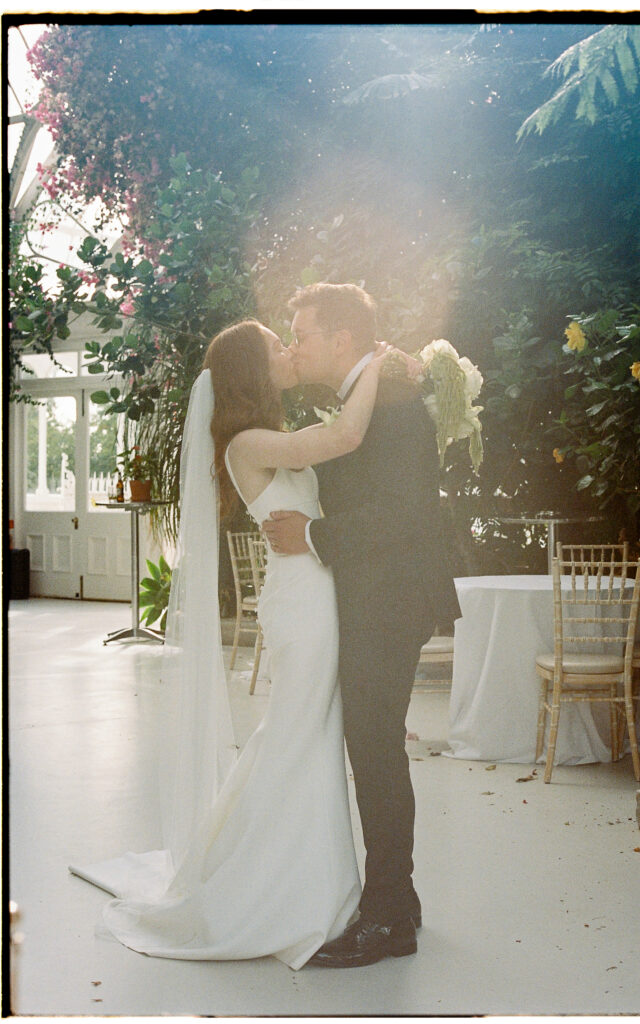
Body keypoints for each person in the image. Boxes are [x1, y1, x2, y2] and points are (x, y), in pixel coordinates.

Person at [69, 318, 397, 970]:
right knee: (300, 738)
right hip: (302, 608)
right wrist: (378, 362)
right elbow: (346, 436)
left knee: (302, 737)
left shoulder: (264, 437)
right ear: (252, 367)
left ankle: (301, 885)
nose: (287, 349)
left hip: (313, 597)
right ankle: (284, 894)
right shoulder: (247, 443)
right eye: (276, 344)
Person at [262, 283, 461, 968]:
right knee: (373, 751)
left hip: (390, 601)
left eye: (302, 331)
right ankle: (397, 902)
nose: (294, 343)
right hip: (377, 600)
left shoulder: (396, 405)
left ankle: (386, 919)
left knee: (376, 754)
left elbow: (404, 518)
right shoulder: (370, 394)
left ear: (343, 339)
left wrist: (314, 533)